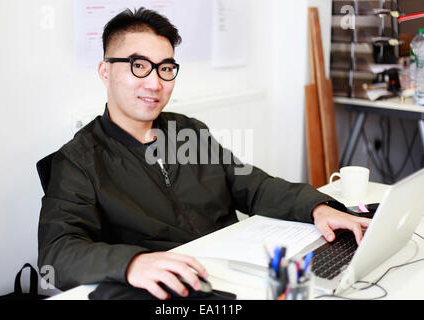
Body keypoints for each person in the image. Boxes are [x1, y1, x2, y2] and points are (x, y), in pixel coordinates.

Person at [37, 7, 370, 300]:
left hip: (237, 272)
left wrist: (317, 207)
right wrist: (132, 263)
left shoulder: (187, 130)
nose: (155, 83)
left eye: (166, 68)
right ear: (105, 71)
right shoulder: (79, 160)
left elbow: (252, 184)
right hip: (178, 288)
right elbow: (56, 253)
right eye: (139, 66)